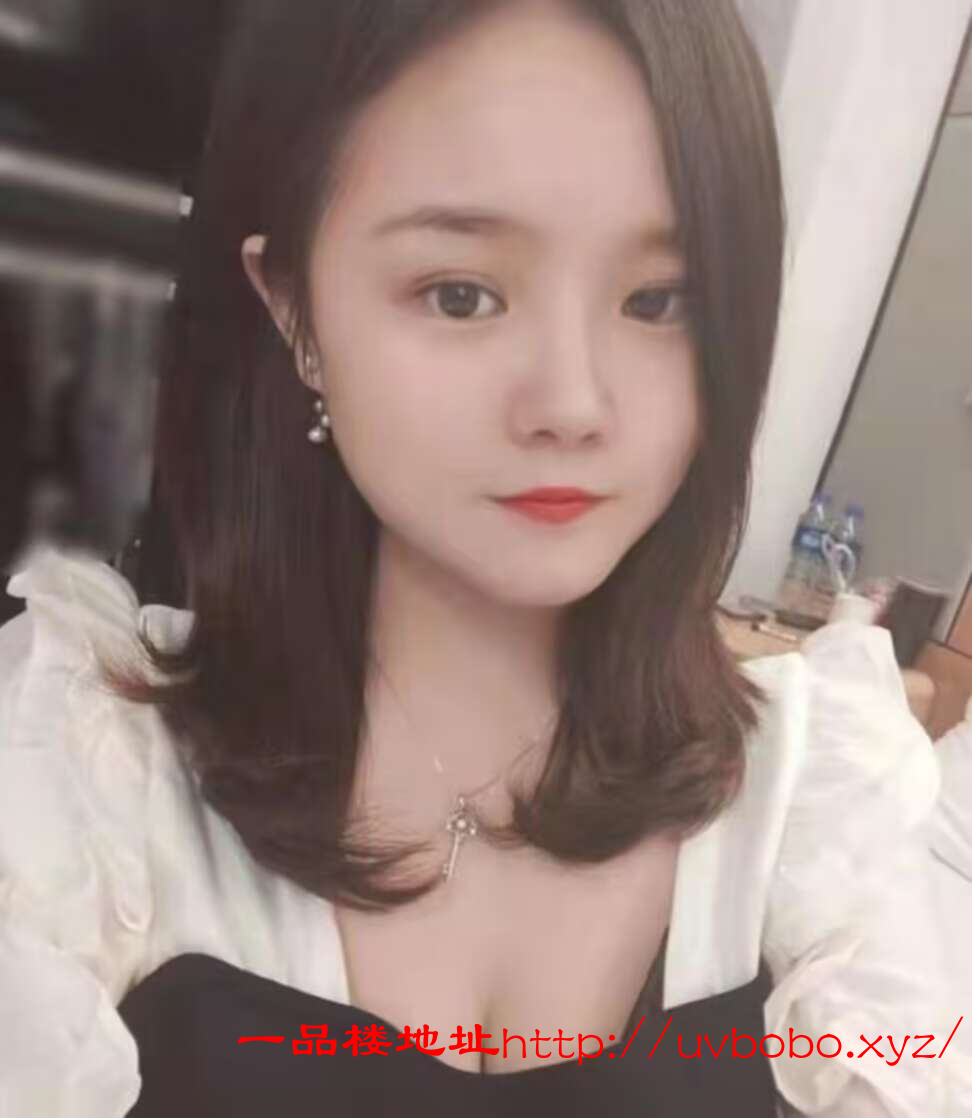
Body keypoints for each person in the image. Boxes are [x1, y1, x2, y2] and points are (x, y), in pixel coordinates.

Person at [0, 1, 955, 1114]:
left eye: (658, 301)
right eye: (461, 295)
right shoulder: (92, 770)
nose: (572, 401)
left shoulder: (813, 803)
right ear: (294, 309)